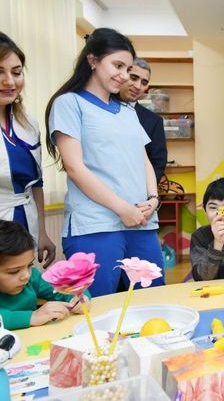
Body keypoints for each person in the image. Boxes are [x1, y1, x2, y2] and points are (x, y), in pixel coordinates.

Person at [45, 28, 165, 297]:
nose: (123, 75)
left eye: (128, 69)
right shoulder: (69, 103)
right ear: (93, 60)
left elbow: (144, 159)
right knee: (100, 307)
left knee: (152, 300)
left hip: (141, 222)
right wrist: (122, 208)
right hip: (95, 225)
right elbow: (75, 168)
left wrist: (153, 198)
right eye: (117, 66)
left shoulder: (127, 111)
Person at [0, 32, 56, 268]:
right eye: (0, 72)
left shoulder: (28, 123)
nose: (10, 82)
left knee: (24, 283)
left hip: (25, 223)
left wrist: (42, 232)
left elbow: (36, 184)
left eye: (16, 72)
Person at [0, 220, 88, 330]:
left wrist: (79, 298)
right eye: (14, 271)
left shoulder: (33, 277)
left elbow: (65, 288)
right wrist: (33, 317)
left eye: (29, 265)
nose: (26, 275)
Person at [118, 57, 168, 183]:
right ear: (122, 75)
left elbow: (158, 163)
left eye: (144, 82)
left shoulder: (154, 121)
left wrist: (145, 189)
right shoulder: (100, 109)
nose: (138, 86)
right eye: (133, 78)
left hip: (138, 190)